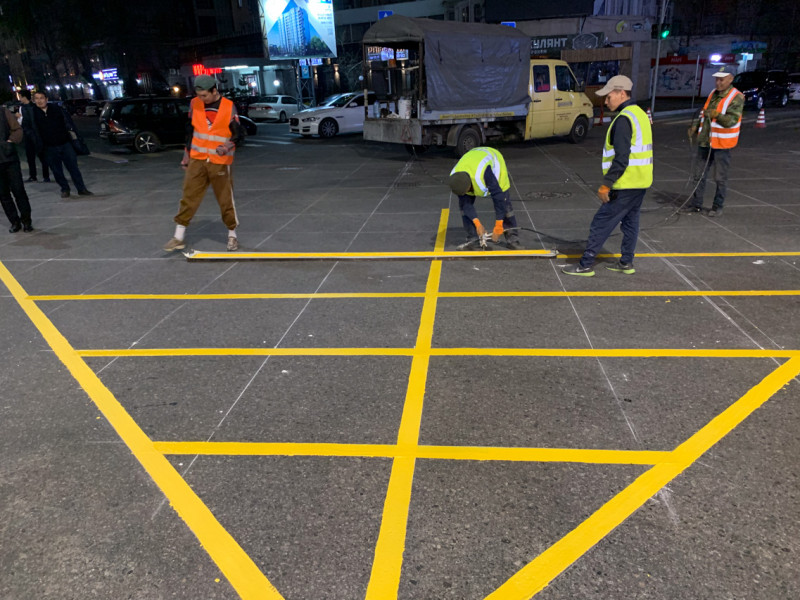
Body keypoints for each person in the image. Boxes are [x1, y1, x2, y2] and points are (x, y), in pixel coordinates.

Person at [562, 75, 653, 277]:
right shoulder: (639, 114)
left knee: (601, 223)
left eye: (609, 96)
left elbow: (621, 158)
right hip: (641, 182)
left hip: (625, 183)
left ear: (621, 93)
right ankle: (626, 262)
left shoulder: (623, 120)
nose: (605, 101)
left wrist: (607, 184)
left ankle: (585, 265)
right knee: (630, 223)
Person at [163, 74, 245, 252]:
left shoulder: (228, 106)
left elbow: (238, 134)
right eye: (199, 95)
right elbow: (190, 132)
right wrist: (186, 155)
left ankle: (232, 235)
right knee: (189, 195)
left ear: (214, 91)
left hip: (220, 161)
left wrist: (227, 145)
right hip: (197, 158)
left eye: (204, 95)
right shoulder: (195, 104)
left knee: (225, 199)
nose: (201, 99)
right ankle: (178, 237)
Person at [684, 66, 744, 217]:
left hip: (722, 144)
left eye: (721, 80)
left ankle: (717, 206)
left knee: (720, 177)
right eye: (717, 79)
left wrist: (717, 115)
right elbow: (703, 113)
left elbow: (731, 120)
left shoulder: (736, 97)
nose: (718, 82)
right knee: (698, 175)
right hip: (705, 141)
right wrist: (695, 126)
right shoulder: (713, 93)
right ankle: (696, 204)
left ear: (730, 79)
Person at [448, 146, 524, 250]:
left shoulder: (483, 173)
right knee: (464, 207)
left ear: (470, 184)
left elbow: (498, 198)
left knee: (505, 205)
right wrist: (478, 224)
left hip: (494, 161)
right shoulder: (456, 178)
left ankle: (513, 240)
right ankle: (473, 239)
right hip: (472, 159)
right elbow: (465, 204)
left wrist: (498, 225)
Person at [31, 90, 92, 198]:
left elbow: (69, 123)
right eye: (37, 99)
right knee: (56, 170)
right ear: (34, 100)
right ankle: (65, 189)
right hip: (48, 147)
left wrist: (75, 137)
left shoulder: (57, 109)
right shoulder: (33, 114)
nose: (39, 101)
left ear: (46, 99)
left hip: (65, 144)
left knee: (73, 168)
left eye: (41, 98)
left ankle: (81, 189)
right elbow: (29, 129)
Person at [0, 105, 33, 232]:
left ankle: (26, 221)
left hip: (9, 158)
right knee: (3, 195)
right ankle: (14, 222)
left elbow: (17, 129)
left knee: (19, 190)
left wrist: (10, 142)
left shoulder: (3, 111)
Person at [18, 90, 50, 183]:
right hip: (32, 135)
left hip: (34, 135)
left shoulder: (30, 108)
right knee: (33, 157)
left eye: (20, 96)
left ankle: (39, 176)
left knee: (39, 156)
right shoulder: (28, 107)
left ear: (24, 97)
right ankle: (40, 176)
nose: (19, 99)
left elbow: (23, 122)